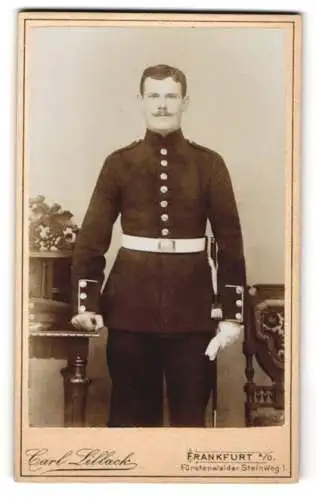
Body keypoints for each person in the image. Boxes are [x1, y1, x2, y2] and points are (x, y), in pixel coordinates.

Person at [71, 64, 246, 427]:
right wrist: (86, 302)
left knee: (188, 420)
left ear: (185, 102)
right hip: (129, 310)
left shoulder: (208, 164)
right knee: (131, 418)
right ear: (141, 101)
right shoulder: (119, 164)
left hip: (192, 312)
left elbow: (230, 243)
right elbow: (92, 237)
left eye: (171, 96)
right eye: (154, 96)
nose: (162, 105)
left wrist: (232, 315)